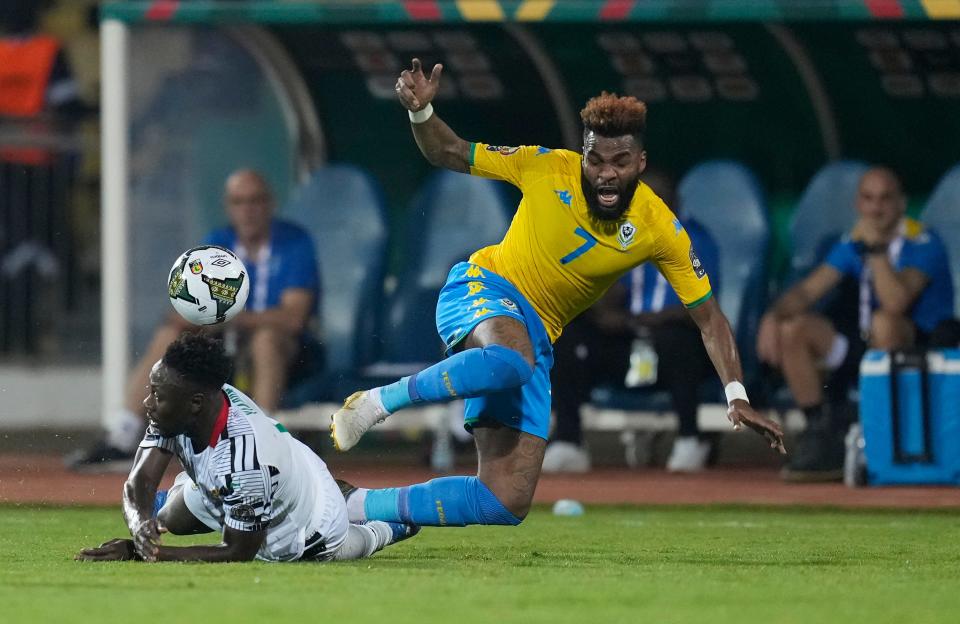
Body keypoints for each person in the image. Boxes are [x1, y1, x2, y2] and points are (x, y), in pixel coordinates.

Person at [329, 58, 784, 530]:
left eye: (620, 162)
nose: (606, 174)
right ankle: (376, 403)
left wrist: (737, 395)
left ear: (640, 164)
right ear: (583, 156)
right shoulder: (544, 166)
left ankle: (351, 507)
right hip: (484, 288)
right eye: (596, 160)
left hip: (537, 339)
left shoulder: (659, 228)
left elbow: (709, 319)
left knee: (502, 502)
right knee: (510, 360)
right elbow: (447, 150)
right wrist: (421, 112)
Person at [77, 333, 416, 563]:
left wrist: (142, 553)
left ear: (194, 404)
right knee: (170, 519)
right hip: (283, 463)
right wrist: (140, 526)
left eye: (157, 395)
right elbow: (140, 482)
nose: (147, 402)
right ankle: (329, 494)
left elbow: (236, 551)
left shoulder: (245, 463)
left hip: (307, 527)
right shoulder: (184, 401)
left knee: (350, 543)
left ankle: (391, 526)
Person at [69, 169, 321, 471]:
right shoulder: (218, 242)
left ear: (270, 204)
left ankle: (260, 443)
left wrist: (229, 317)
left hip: (290, 353)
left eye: (255, 201)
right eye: (239, 202)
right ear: (229, 207)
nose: (248, 210)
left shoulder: (295, 242)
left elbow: (293, 318)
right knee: (171, 333)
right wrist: (196, 318)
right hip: (225, 346)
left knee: (266, 338)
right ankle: (123, 434)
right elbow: (183, 307)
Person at [757, 167, 954, 482]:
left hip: (917, 354)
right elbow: (808, 290)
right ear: (857, 205)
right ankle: (820, 432)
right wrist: (773, 316)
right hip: (864, 346)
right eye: (868, 199)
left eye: (885, 199)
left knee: (883, 323)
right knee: (793, 328)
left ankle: (886, 428)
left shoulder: (923, 241)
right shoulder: (852, 243)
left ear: (902, 204)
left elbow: (896, 303)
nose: (876, 208)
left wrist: (876, 250)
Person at [545, 170, 722, 473]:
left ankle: (690, 438)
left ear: (675, 203)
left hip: (677, 349)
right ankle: (568, 441)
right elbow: (606, 295)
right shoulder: (621, 236)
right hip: (631, 345)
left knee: (673, 338)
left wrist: (651, 320)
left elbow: (700, 310)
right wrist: (604, 310)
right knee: (568, 334)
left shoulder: (695, 238)